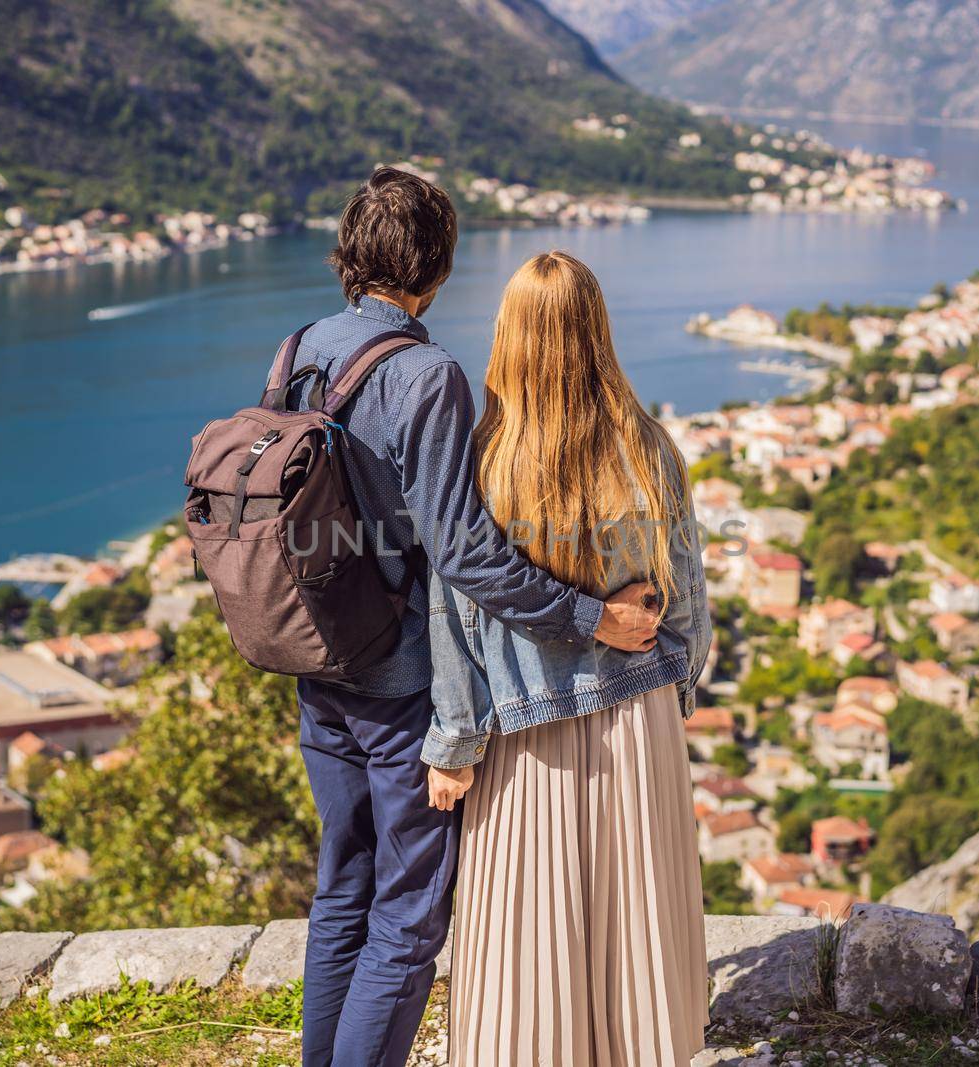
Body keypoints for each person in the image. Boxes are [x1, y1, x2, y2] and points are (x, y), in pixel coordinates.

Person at [284, 169, 663, 1067]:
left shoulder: (297, 349)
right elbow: (467, 561)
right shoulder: (429, 376)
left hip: (316, 660)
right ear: (438, 268)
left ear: (349, 254)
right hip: (399, 678)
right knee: (408, 914)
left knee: (342, 889)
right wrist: (590, 616)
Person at [423, 251, 712, 1065]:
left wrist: (454, 740)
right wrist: (675, 678)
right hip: (638, 712)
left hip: (525, 730)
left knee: (532, 928)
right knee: (638, 918)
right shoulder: (648, 446)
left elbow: (453, 610)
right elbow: (683, 591)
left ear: (509, 335)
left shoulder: (482, 458)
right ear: (598, 330)